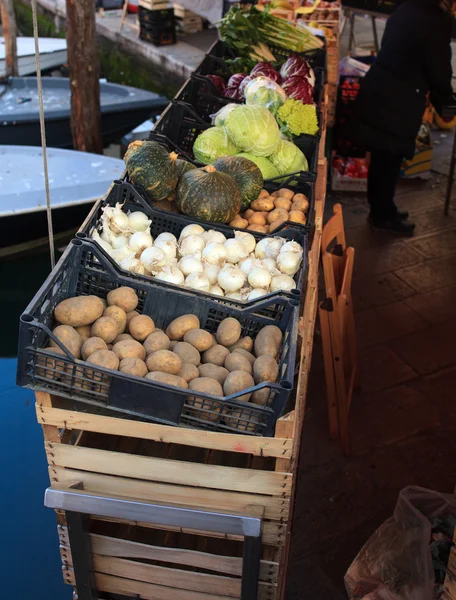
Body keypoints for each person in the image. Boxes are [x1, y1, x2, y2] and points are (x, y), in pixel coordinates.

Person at [353, 0, 454, 235]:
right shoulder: (436, 21)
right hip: (399, 99)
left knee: (384, 157)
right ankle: (380, 215)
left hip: (382, 87)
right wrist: (447, 100)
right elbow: (439, 69)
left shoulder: (408, 8)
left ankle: (384, 208)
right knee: (388, 159)